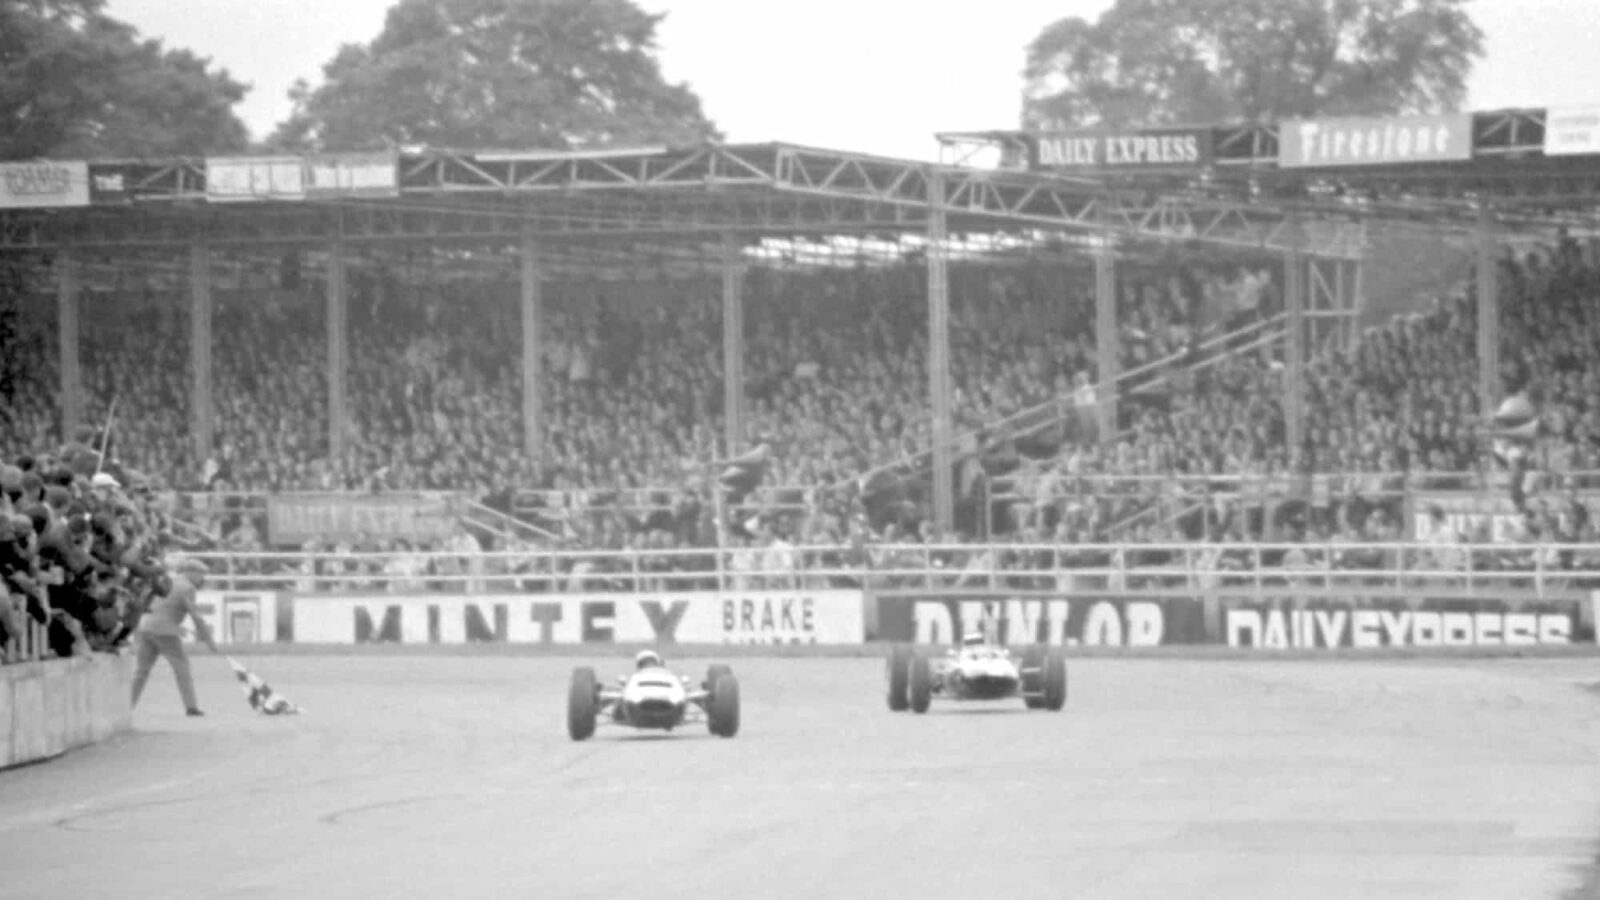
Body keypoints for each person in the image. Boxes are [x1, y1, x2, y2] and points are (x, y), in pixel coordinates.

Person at [130, 557, 218, 716]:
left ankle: (127, 705)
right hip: (166, 631)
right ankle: (191, 706)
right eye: (201, 575)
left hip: (146, 627)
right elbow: (196, 616)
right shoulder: (188, 588)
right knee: (182, 667)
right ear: (191, 572)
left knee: (141, 671)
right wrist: (209, 641)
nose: (202, 579)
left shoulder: (170, 581)